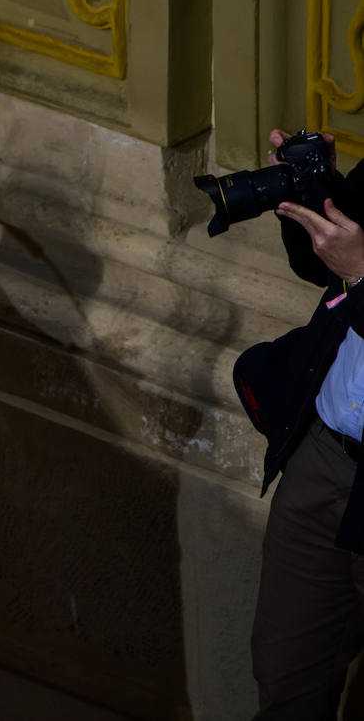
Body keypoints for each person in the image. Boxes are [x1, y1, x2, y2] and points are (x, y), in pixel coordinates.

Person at [237, 128, 364, 719]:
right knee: (287, 674)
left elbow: (356, 276)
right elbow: (321, 271)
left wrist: (363, 276)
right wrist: (314, 196)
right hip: (325, 462)